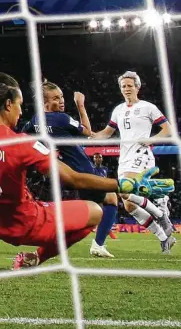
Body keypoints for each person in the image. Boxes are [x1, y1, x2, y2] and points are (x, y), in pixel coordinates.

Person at [0, 68, 174, 270]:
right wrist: (124, 184)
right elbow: (74, 178)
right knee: (96, 211)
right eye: (19, 105)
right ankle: (35, 257)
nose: (21, 112)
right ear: (8, 104)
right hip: (25, 225)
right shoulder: (21, 144)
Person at [21, 81, 120, 257]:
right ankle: (96, 244)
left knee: (90, 211)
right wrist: (80, 104)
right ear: (44, 102)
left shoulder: (35, 120)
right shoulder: (62, 118)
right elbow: (88, 131)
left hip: (64, 173)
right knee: (111, 199)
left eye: (61, 97)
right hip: (82, 172)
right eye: (55, 98)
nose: (61, 101)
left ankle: (52, 239)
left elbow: (23, 135)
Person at [92, 71, 176, 253]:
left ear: (137, 87)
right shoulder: (118, 110)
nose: (126, 89)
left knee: (124, 191)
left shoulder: (148, 107)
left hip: (141, 155)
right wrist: (90, 135)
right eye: (123, 86)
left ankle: (161, 214)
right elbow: (106, 133)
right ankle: (164, 238)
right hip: (124, 158)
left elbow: (168, 130)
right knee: (129, 205)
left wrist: (152, 139)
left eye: (130, 85)